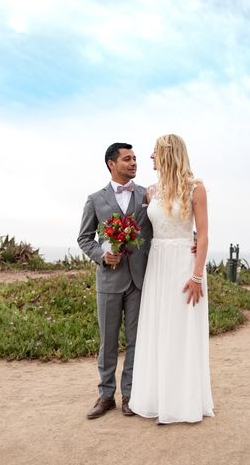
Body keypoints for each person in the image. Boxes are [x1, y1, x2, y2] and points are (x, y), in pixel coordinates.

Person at [129, 134, 214, 424]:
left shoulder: (196, 189)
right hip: (158, 264)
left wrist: (196, 275)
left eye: (154, 152)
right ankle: (158, 398)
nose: (150, 157)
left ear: (167, 154)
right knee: (158, 328)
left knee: (180, 329)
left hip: (182, 264)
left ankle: (182, 403)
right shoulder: (151, 192)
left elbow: (202, 234)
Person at [77, 143, 153, 419]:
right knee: (107, 341)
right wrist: (101, 255)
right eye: (127, 159)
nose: (134, 163)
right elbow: (84, 238)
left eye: (135, 159)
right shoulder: (95, 199)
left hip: (139, 280)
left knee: (136, 340)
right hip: (109, 280)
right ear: (112, 164)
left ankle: (130, 395)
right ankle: (106, 395)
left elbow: (161, 226)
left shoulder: (148, 194)